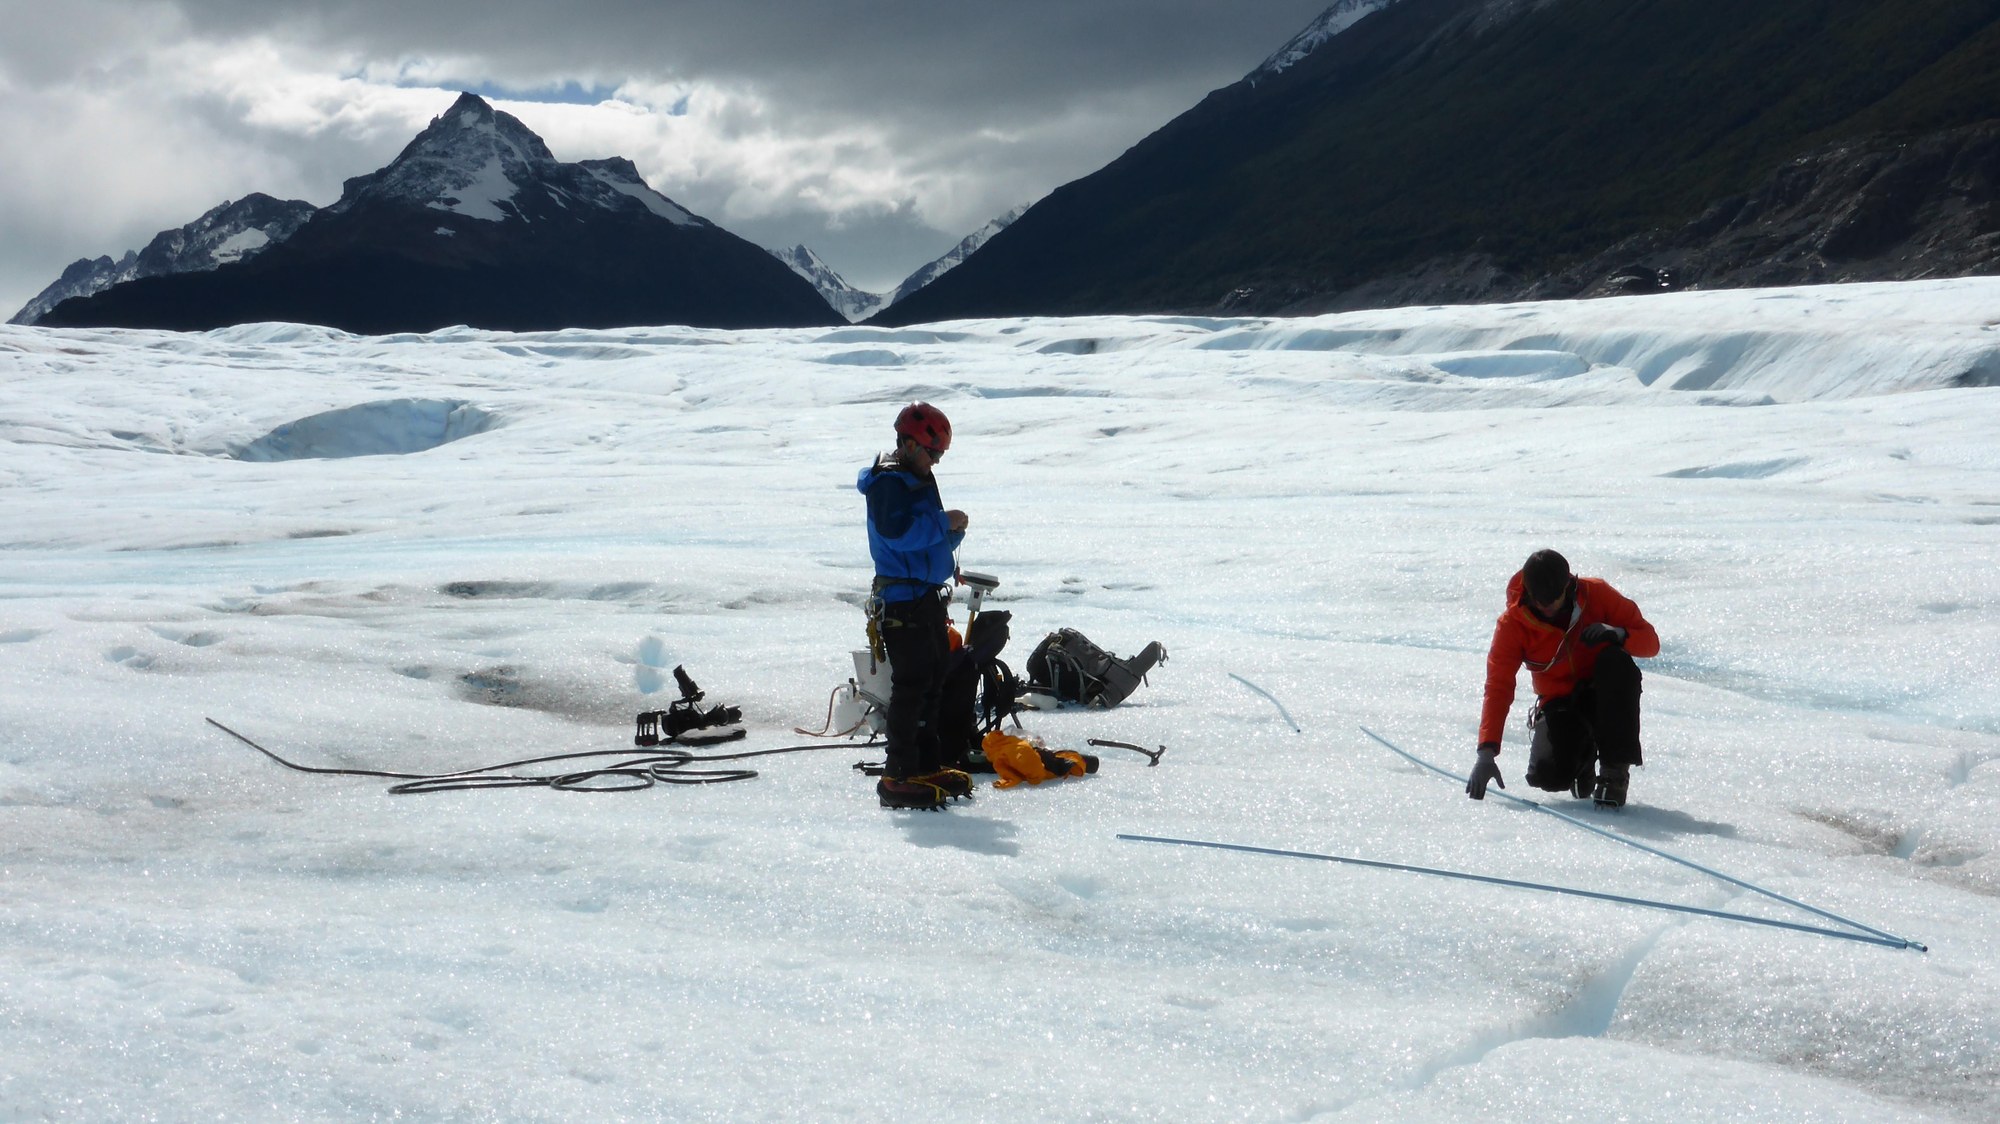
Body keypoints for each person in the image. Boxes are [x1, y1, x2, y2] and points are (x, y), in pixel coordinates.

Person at [1467, 549, 1659, 808]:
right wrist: (1486, 754)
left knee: (1616, 663)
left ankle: (1614, 773)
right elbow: (1498, 687)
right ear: (1528, 593)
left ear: (1567, 585)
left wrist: (1618, 634)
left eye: (1552, 600)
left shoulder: (1596, 593)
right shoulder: (1512, 624)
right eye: (1539, 602)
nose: (1546, 608)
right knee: (1546, 776)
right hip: (1560, 702)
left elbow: (1651, 643)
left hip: (1605, 693)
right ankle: (1584, 758)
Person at [858, 402, 972, 809]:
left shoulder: (916, 478)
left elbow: (923, 546)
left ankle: (925, 764)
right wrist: (945, 524)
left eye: (939, 454)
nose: (935, 460)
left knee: (931, 683)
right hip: (902, 604)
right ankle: (898, 775)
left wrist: (951, 535)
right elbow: (899, 535)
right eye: (931, 452)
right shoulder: (889, 483)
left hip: (924, 599)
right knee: (911, 688)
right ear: (907, 444)